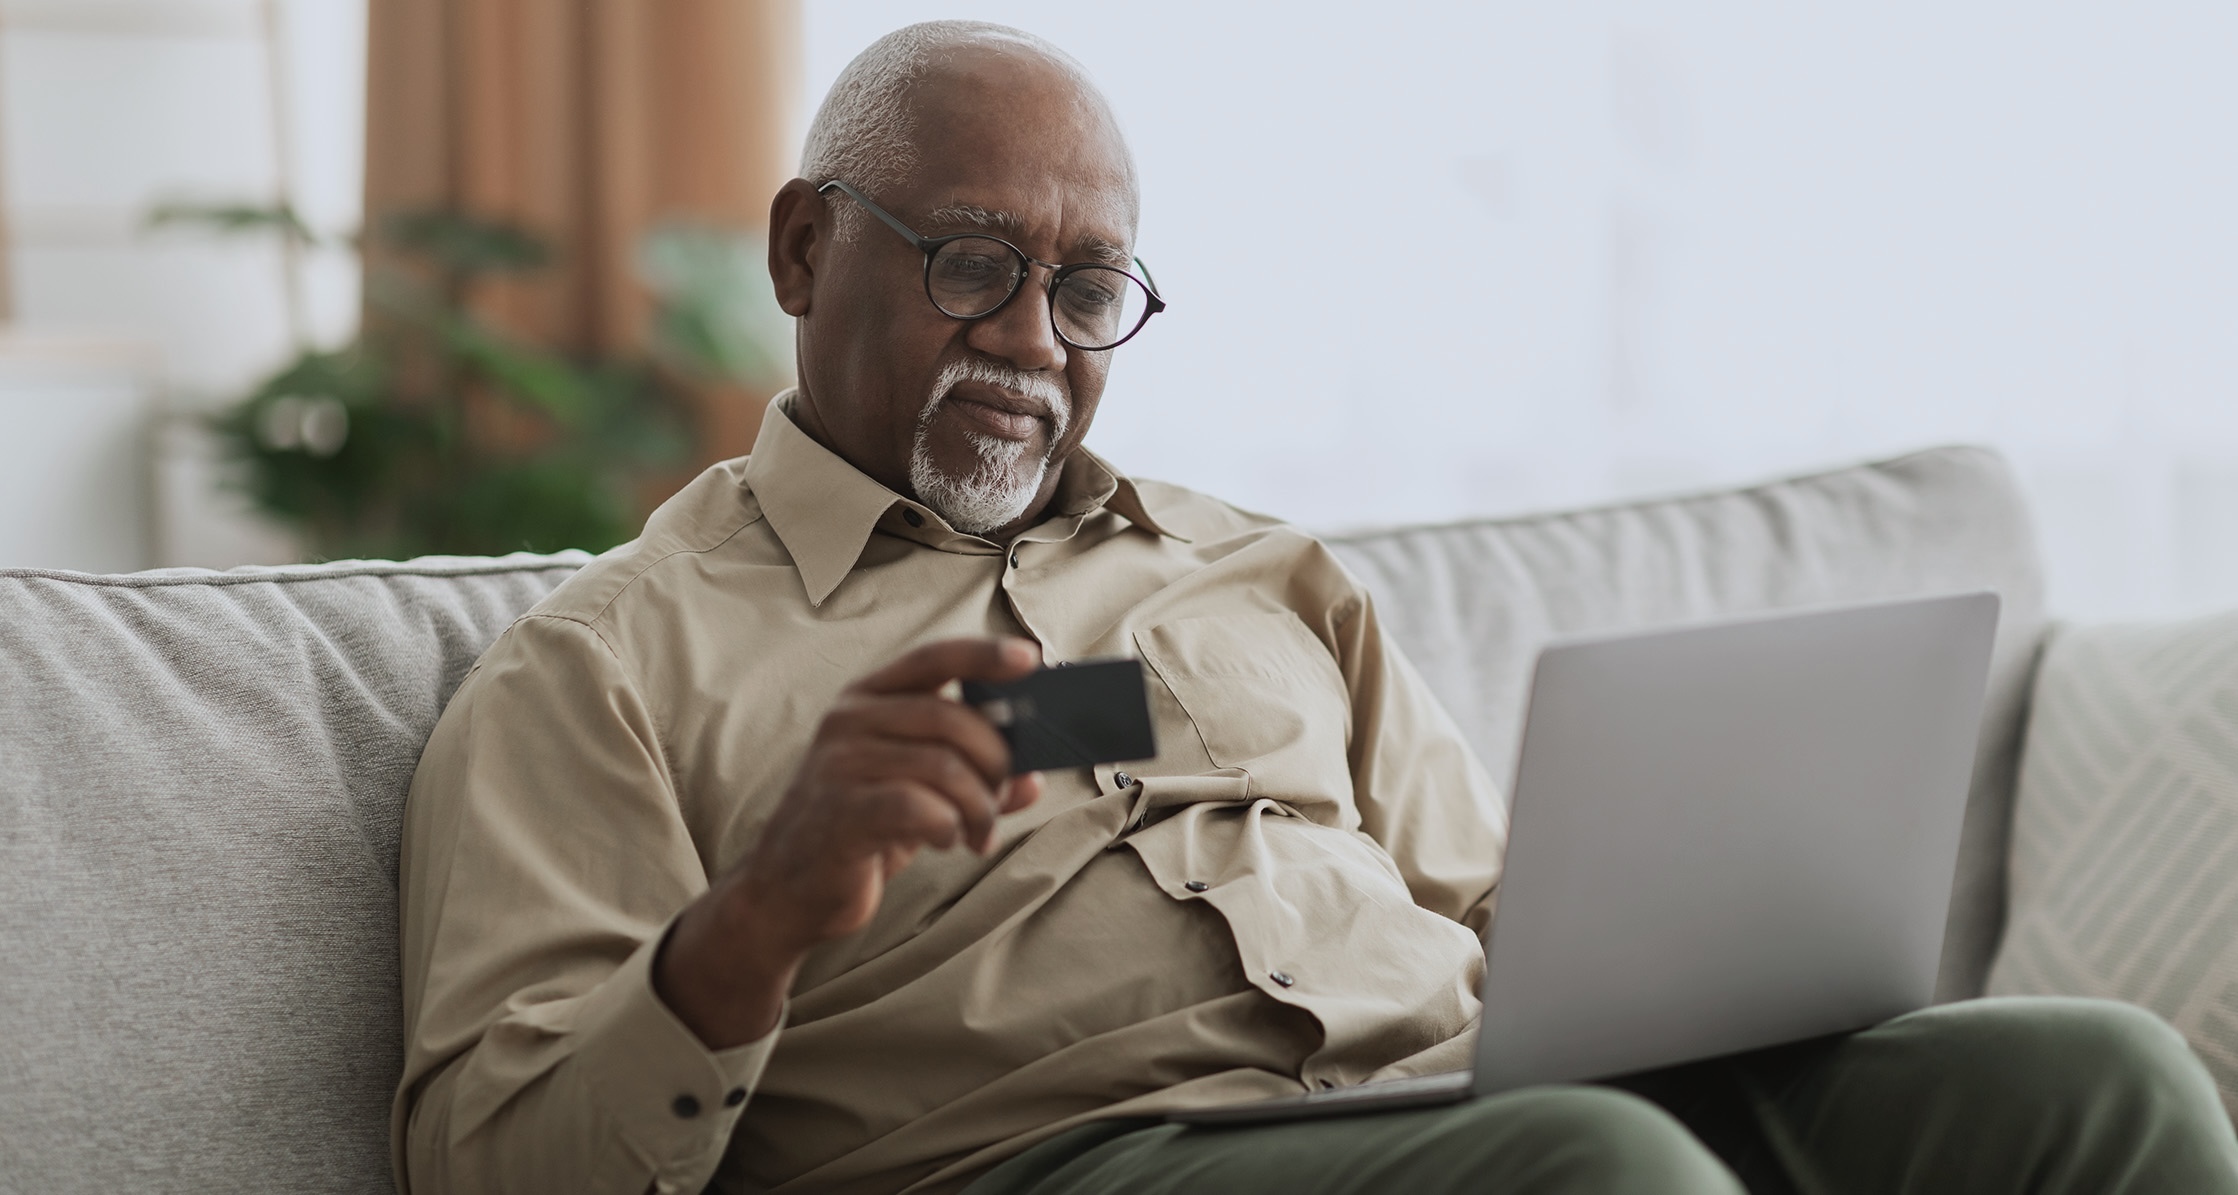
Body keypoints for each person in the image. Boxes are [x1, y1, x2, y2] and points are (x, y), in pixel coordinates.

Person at [391, 20, 2238, 1195]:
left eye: (1088, 286)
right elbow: (498, 1167)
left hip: (1441, 1107)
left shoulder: (1261, 571)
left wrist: (1717, 936)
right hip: (1069, 1158)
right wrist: (762, 913)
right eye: (971, 265)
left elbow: (1504, 919)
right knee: (1594, 1175)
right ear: (804, 249)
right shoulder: (602, 671)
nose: (1031, 341)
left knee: (2092, 1083)